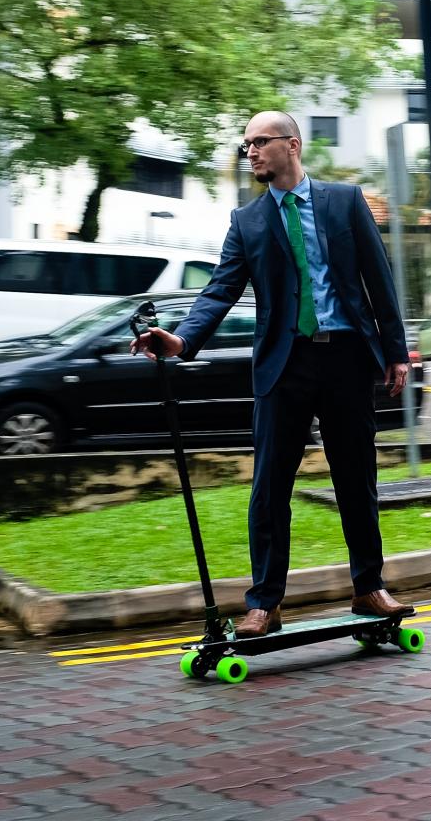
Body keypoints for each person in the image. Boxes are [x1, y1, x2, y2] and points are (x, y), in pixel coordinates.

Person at [131, 112, 412, 637]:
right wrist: (184, 338)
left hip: (347, 357)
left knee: (357, 479)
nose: (252, 152)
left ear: (292, 145)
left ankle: (369, 586)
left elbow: (379, 278)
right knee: (269, 487)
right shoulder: (248, 221)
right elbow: (220, 289)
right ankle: (264, 602)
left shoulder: (345, 202)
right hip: (285, 365)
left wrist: (395, 351)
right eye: (247, 145)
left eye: (261, 142)